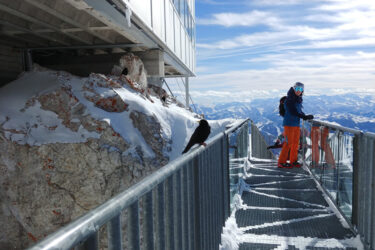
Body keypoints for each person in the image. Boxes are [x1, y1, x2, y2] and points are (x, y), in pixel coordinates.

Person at [278, 82, 314, 168]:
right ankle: (281, 162)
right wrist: (303, 116)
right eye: (297, 89)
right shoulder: (290, 99)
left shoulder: (298, 99)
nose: (298, 91)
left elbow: (299, 111)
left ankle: (293, 161)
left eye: (300, 89)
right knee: (288, 143)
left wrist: (305, 116)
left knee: (295, 144)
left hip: (296, 124)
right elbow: (293, 111)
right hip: (289, 124)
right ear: (294, 88)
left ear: (302, 91)